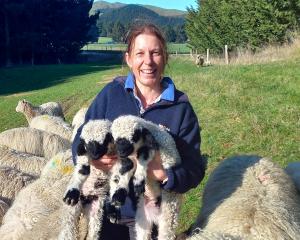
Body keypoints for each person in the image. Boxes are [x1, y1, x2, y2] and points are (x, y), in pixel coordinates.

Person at [72, 23, 206, 239]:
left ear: (165, 57)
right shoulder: (111, 94)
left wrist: (164, 175)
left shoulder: (180, 108)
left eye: (155, 53)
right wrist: (92, 160)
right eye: (140, 53)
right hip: (108, 215)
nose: (148, 62)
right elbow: (81, 137)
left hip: (153, 220)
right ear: (129, 59)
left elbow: (194, 168)